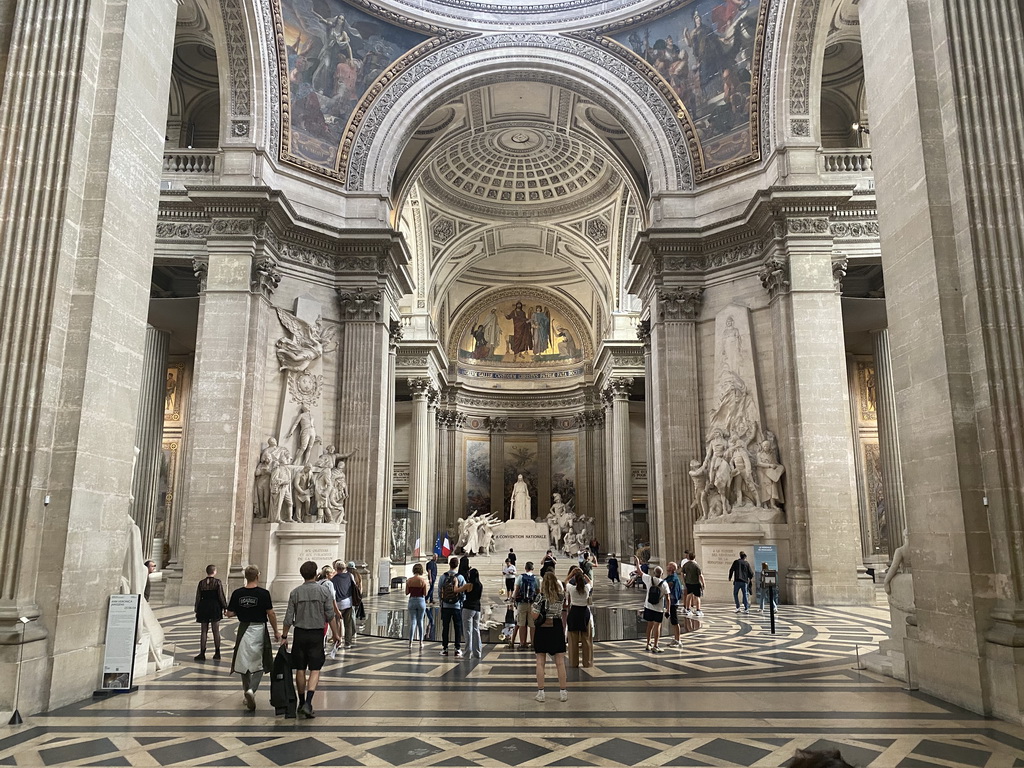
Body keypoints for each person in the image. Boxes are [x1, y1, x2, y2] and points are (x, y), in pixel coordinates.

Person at [281, 560, 340, 719]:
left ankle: (301, 702)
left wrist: (284, 636)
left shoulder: (295, 592)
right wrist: (335, 634)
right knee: (315, 668)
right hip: (316, 634)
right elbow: (330, 615)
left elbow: (288, 618)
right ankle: (308, 702)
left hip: (299, 633)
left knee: (300, 669)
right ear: (316, 574)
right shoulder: (323, 592)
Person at [226, 564, 280, 711]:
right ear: (258, 576)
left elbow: (229, 613)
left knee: (244, 662)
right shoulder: (263, 593)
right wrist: (276, 631)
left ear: (245, 577)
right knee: (259, 662)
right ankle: (252, 690)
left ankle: (246, 692)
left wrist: (240, 611)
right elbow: (271, 613)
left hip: (243, 629)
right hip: (259, 629)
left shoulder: (237, 593)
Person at [531, 570, 568, 701]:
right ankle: (563, 692)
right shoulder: (561, 595)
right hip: (557, 626)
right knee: (560, 662)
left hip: (543, 628)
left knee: (540, 662)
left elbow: (534, 615)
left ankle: (541, 693)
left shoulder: (541, 596)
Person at [627, 559, 669, 652]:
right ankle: (656, 645)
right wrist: (668, 610)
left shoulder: (649, 579)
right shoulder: (664, 584)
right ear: (662, 574)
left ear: (654, 573)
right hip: (659, 608)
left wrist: (637, 562)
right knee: (657, 626)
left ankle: (648, 643)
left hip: (648, 606)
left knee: (649, 626)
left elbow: (639, 571)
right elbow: (668, 598)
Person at [194, 564, 228, 661]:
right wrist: (225, 606)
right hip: (214, 606)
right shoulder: (217, 582)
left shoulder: (201, 583)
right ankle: (217, 652)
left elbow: (198, 597)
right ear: (215, 571)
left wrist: (197, 608)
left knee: (204, 631)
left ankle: (202, 652)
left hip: (203, 606)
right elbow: (221, 595)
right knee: (215, 630)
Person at [565, 565, 593, 668]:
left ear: (575, 580)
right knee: (586, 639)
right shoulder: (586, 588)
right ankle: (587, 662)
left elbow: (566, 581)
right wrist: (583, 574)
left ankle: (573, 662)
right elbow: (590, 581)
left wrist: (572, 573)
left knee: (573, 640)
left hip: (574, 612)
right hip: (584, 612)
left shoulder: (572, 589)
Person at [438, 557, 465, 657]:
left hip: (445, 606)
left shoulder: (443, 577)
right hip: (457, 606)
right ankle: (457, 649)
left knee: (445, 628)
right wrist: (461, 603)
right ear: (457, 565)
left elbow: (439, 590)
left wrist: (441, 603)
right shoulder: (460, 577)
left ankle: (445, 648)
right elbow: (463, 592)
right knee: (457, 628)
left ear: (449, 564)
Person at [512, 561, 538, 650]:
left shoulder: (520, 577)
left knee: (522, 623)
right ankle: (534, 643)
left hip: (522, 603)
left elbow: (516, 590)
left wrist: (514, 600)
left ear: (525, 568)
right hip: (532, 603)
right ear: (532, 569)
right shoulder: (536, 578)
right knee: (532, 625)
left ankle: (523, 643)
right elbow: (538, 592)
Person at [330, 560, 357, 647]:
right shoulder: (350, 575)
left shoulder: (334, 579)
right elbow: (354, 586)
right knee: (348, 623)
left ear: (336, 568)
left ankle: (338, 640)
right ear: (344, 568)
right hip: (348, 602)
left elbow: (332, 593)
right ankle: (348, 643)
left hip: (338, 603)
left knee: (337, 621)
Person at [459, 567, 484, 659]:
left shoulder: (468, 585)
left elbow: (456, 590)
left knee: (467, 631)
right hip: (477, 608)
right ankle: (478, 652)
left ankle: (467, 653)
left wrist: (455, 583)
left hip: (468, 608)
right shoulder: (480, 585)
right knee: (476, 630)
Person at [317, 565, 341, 657]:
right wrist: (337, 610)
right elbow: (332, 598)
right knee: (325, 629)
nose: (333, 574)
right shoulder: (329, 584)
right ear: (327, 574)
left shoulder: (318, 582)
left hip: (318, 609)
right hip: (326, 609)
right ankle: (322, 649)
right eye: (331, 573)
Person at [406, 562, 428, 649]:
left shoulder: (409, 580)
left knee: (413, 621)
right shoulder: (423, 581)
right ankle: (421, 642)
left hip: (412, 600)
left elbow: (407, 592)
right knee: (420, 622)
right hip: (421, 601)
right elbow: (425, 593)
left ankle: (410, 642)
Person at [664, 561, 684, 648]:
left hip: (673, 602)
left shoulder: (673, 578)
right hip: (672, 602)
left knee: (675, 621)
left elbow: (668, 586)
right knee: (673, 621)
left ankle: (678, 640)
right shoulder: (671, 577)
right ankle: (676, 638)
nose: (667, 566)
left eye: (668, 565)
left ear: (672, 568)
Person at [682, 552, 705, 617]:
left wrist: (684, 581)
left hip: (688, 582)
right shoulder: (696, 565)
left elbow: (682, 573)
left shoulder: (685, 565)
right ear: (694, 557)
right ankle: (698, 610)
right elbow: (700, 575)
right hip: (696, 583)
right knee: (697, 597)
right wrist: (703, 583)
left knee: (689, 595)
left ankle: (688, 609)